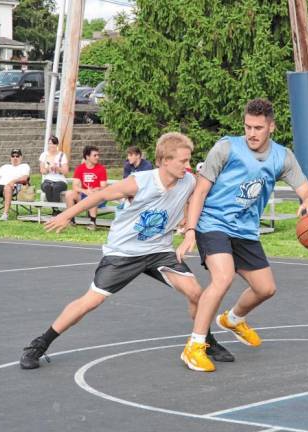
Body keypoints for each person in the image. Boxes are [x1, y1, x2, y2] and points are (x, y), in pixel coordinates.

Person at [19, 132, 232, 370]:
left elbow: (195, 199)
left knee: (196, 293)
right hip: (124, 253)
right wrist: (66, 215)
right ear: (164, 160)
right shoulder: (140, 182)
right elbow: (100, 195)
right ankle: (39, 344)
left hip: (158, 251)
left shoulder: (189, 181)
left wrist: (186, 223)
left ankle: (204, 342)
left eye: (189, 160)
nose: (188, 166)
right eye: (183, 161)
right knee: (91, 301)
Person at [176, 98, 308, 372]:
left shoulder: (283, 156)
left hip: (245, 230)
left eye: (258, 128)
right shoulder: (226, 148)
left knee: (266, 288)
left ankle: (232, 319)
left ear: (272, 127)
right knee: (222, 278)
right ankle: (194, 346)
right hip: (214, 223)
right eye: (248, 127)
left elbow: (306, 190)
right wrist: (190, 231)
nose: (252, 134)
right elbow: (199, 191)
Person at [65, 145, 108, 230]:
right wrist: (84, 191)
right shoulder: (80, 168)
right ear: (87, 157)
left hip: (99, 197)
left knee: (93, 195)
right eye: (95, 155)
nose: (97, 157)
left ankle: (92, 223)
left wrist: (95, 189)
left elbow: (103, 187)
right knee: (69, 194)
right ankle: (71, 220)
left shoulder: (101, 169)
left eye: (98, 155)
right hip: (85, 195)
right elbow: (75, 186)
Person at [39, 135, 69, 206]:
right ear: (48, 144)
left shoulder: (62, 155)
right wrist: (48, 169)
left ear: (57, 144)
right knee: (47, 187)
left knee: (56, 187)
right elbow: (42, 171)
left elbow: (66, 172)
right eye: (50, 143)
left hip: (60, 180)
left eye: (54, 143)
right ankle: (55, 208)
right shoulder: (44, 155)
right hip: (47, 180)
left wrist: (58, 168)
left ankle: (56, 209)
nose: (52, 145)